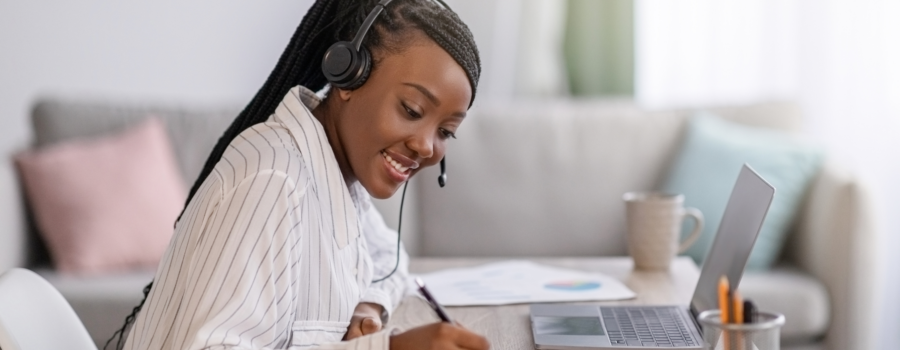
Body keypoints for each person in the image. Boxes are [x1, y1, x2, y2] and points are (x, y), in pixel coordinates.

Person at [108, 0, 486, 349]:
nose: (426, 146)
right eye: (412, 109)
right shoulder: (274, 181)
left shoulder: (335, 175)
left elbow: (389, 256)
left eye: (446, 131)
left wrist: (368, 308)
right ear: (348, 77)